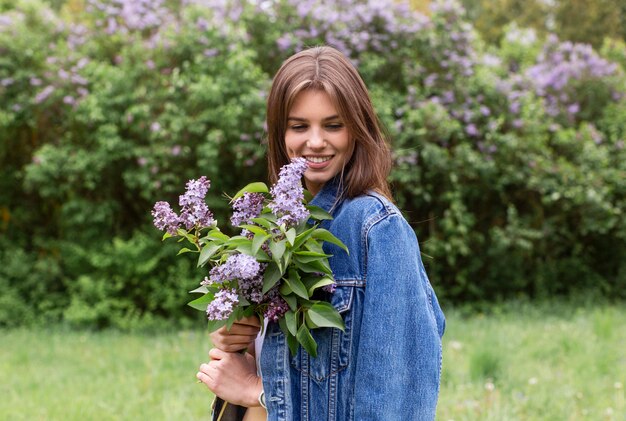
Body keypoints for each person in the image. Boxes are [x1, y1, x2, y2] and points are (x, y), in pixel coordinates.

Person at [197, 45, 446, 421]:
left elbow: (395, 401)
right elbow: (309, 371)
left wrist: (256, 392)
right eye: (299, 126)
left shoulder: (375, 228)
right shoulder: (281, 229)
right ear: (280, 132)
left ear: (358, 128)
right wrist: (246, 346)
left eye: (333, 125)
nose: (315, 142)